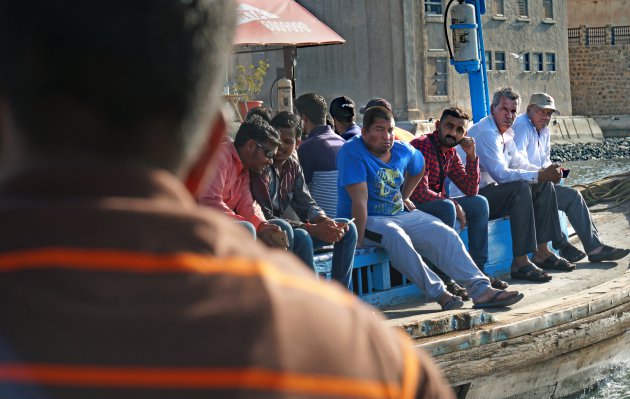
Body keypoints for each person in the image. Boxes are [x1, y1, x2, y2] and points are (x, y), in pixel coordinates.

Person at [0, 2, 457, 397]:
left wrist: (291, 222)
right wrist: (265, 227)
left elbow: (266, 205)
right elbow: (236, 209)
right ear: (208, 149)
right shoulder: (373, 361)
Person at [337, 106, 524, 311]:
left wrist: (404, 196)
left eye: (390, 130)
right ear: (364, 132)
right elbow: (359, 200)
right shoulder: (352, 151)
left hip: (399, 213)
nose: (387, 136)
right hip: (366, 219)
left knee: (444, 233)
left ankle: (481, 290)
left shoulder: (402, 150)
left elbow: (419, 167)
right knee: (396, 235)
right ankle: (440, 292)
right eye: (379, 130)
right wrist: (358, 240)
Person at [463, 87, 575, 283]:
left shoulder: (506, 133)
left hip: (491, 191)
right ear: (493, 108)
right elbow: (502, 175)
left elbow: (519, 163)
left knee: (543, 184)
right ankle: (520, 262)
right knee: (521, 188)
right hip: (472, 195)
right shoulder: (486, 133)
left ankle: (542, 252)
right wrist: (538, 174)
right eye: (504, 109)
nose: (509, 115)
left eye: (513, 111)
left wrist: (544, 174)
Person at [513, 93, 629, 263]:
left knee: (574, 195)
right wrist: (545, 173)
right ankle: (561, 243)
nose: (545, 117)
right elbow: (518, 163)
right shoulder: (522, 127)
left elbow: (545, 160)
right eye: (541, 112)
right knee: (553, 192)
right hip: (522, 186)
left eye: (549, 113)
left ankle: (594, 247)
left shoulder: (544, 130)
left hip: (540, 183)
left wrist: (556, 171)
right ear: (530, 109)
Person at [250, 111, 357, 287]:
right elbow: (267, 218)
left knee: (347, 227)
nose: (281, 146)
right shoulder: (261, 167)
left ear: (298, 143)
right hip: (268, 233)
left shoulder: (293, 166)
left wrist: (324, 221)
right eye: (277, 140)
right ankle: (315, 299)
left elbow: (306, 202)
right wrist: (311, 228)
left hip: (287, 231)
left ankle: (340, 295)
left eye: (288, 142)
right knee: (301, 236)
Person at [410, 107, 509, 292]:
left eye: (459, 130)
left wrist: (471, 156)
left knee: (479, 203)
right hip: (412, 207)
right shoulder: (422, 146)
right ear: (438, 125)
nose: (453, 133)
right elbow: (418, 192)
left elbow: (471, 189)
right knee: (447, 207)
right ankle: (445, 278)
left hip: (436, 203)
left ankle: (478, 271)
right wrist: (453, 203)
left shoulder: (451, 153)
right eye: (449, 126)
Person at [199, 116, 290, 248]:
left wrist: (262, 225)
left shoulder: (244, 170)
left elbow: (248, 206)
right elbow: (209, 202)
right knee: (247, 229)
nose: (271, 161)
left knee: (282, 228)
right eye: (269, 154)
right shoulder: (220, 156)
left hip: (220, 225)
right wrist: (253, 227)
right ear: (251, 146)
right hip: (199, 225)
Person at [295, 93, 346, 218]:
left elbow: (299, 192)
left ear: (303, 119)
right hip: (346, 221)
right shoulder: (343, 143)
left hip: (322, 223)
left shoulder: (307, 147)